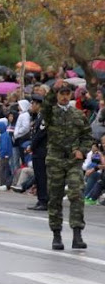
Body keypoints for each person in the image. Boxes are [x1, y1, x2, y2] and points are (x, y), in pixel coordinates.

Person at [42, 81, 92, 250]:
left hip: (73, 160)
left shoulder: (78, 115)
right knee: (55, 197)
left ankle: (77, 234)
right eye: (61, 94)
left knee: (76, 193)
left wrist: (83, 151)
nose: (64, 97)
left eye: (67, 94)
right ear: (57, 95)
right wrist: (53, 89)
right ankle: (56, 234)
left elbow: (87, 136)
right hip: (55, 159)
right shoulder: (50, 113)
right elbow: (45, 106)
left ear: (71, 95)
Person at [27, 94, 48, 210]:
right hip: (37, 151)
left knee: (42, 177)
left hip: (41, 151)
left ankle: (44, 200)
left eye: (33, 104)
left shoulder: (44, 117)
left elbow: (40, 134)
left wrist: (32, 146)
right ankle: (41, 200)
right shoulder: (38, 116)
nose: (31, 106)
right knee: (39, 176)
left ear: (38, 105)